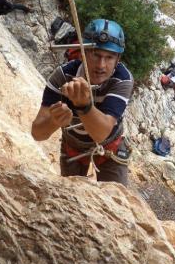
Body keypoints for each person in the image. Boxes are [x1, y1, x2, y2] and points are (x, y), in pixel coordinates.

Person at [31, 19, 134, 186]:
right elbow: (37, 133)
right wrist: (54, 121)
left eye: (109, 57)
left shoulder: (121, 80)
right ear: (82, 53)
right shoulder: (63, 76)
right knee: (68, 199)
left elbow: (101, 134)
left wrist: (84, 106)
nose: (101, 65)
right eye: (96, 54)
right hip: (73, 147)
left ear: (117, 59)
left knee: (115, 203)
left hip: (109, 149)